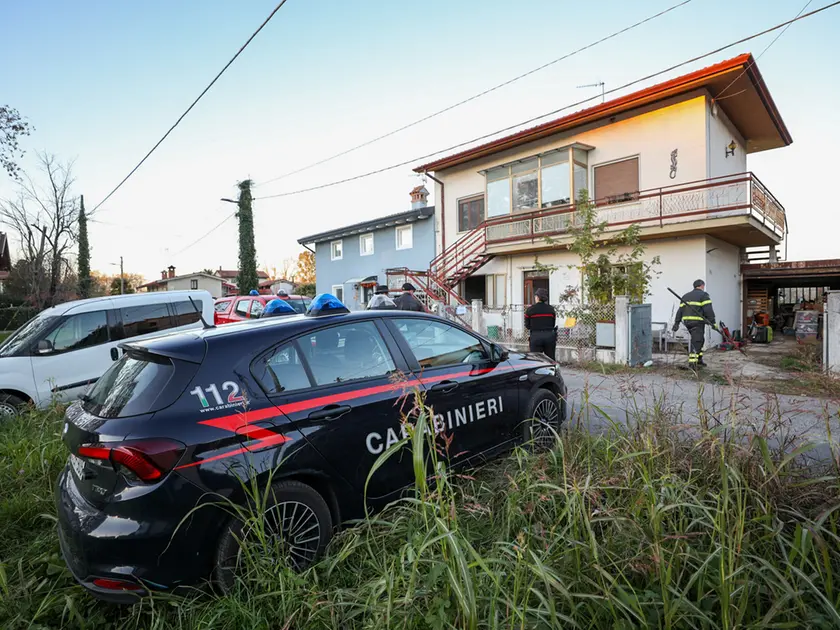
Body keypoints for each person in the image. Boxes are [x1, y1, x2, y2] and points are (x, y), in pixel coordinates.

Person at [673, 279, 716, 368]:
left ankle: (699, 359)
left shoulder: (685, 296)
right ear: (702, 286)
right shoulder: (703, 295)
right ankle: (692, 363)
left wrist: (676, 323)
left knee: (700, 340)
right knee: (697, 341)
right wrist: (713, 322)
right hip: (697, 322)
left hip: (688, 323)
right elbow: (708, 309)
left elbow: (680, 311)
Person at [524, 288, 556, 361]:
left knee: (535, 360)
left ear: (537, 297)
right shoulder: (551, 309)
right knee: (551, 359)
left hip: (536, 336)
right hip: (549, 336)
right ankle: (552, 371)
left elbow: (527, 326)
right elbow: (553, 323)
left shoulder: (530, 310)